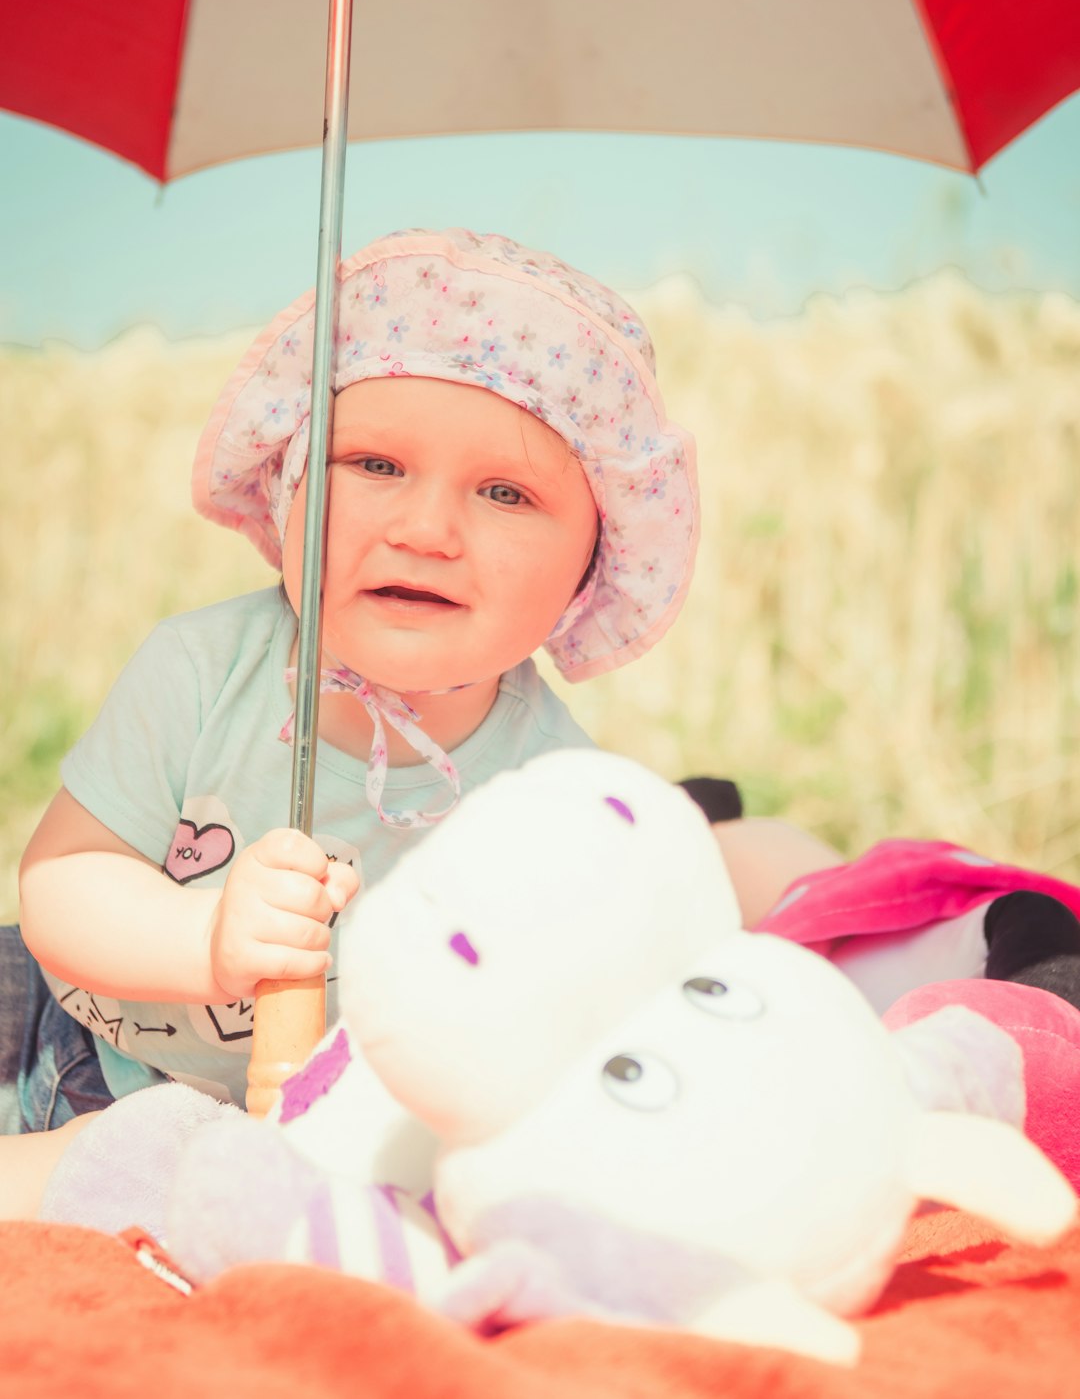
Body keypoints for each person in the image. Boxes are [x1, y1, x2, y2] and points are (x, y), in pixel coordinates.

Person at [3, 227, 711, 1181]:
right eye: (375, 465)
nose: (425, 529)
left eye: (505, 492)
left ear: (596, 563)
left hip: (322, 1121)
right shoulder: (203, 671)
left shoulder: (550, 789)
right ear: (286, 489)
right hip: (87, 1042)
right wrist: (205, 943)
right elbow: (61, 883)